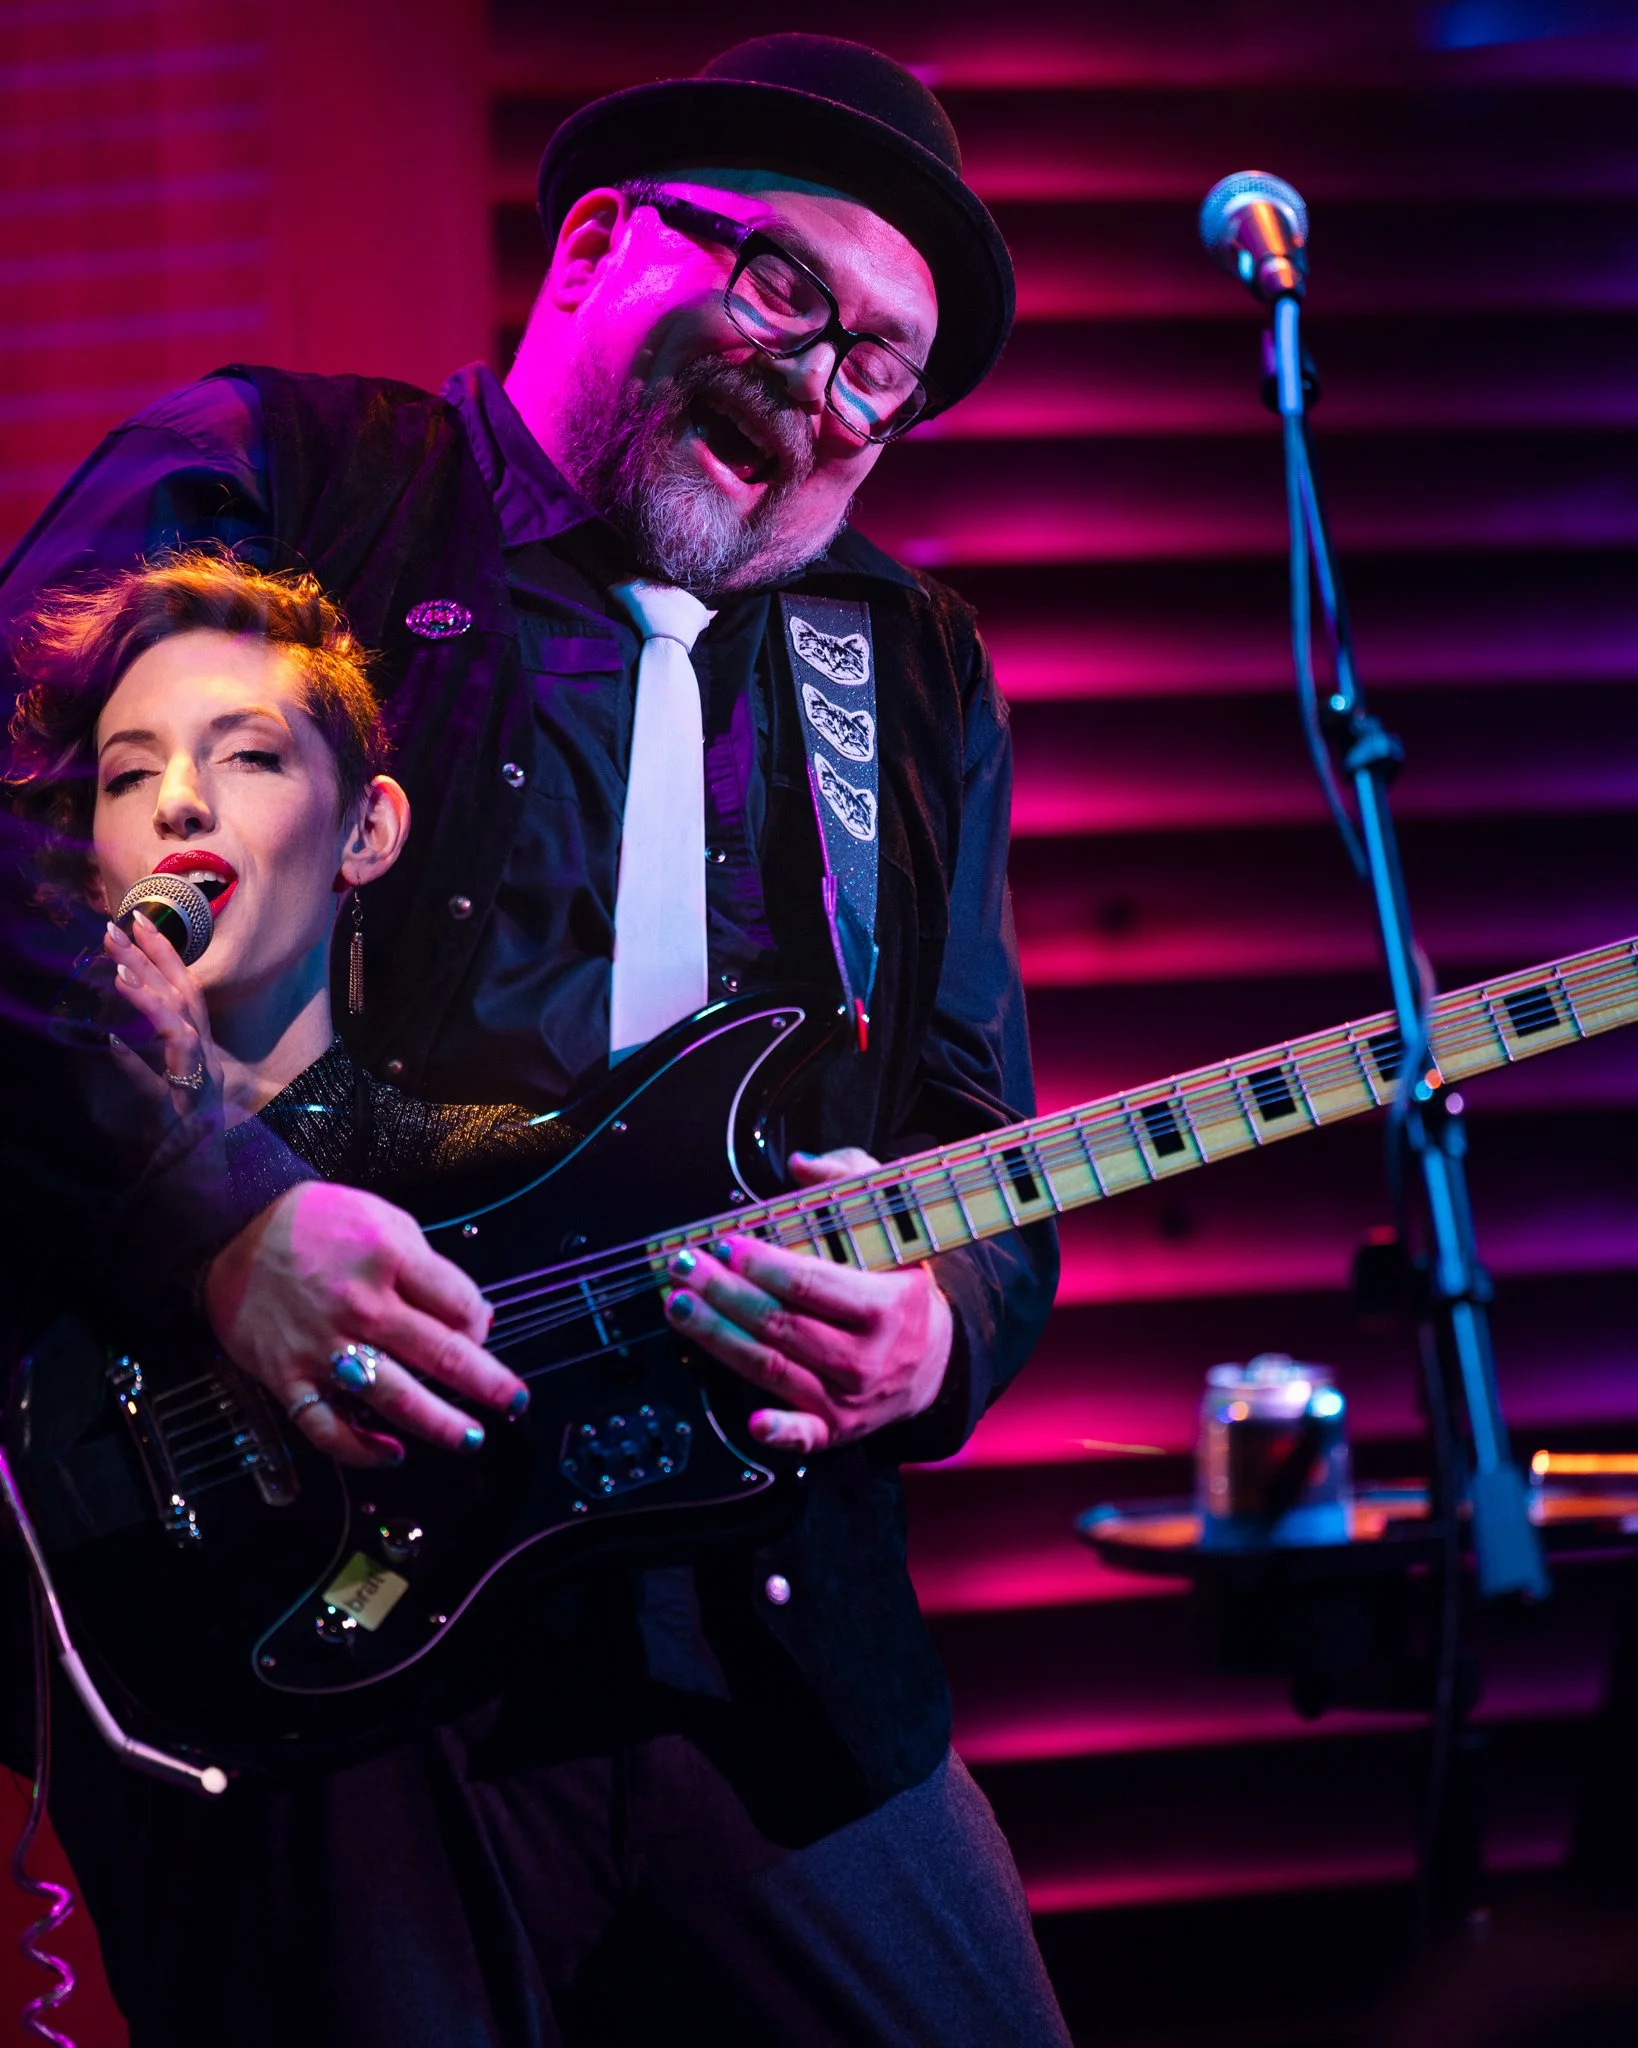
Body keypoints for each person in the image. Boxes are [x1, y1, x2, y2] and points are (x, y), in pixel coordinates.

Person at [0, 34, 1067, 2048]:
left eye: (879, 373)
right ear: (597, 243)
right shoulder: (288, 487)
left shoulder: (906, 671)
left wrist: (937, 1326)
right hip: (301, 1617)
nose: (822, 384)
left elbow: (966, 1116)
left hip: (762, 1641)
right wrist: (217, 1214)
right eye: (784, 288)